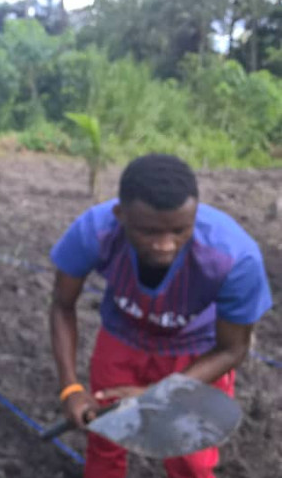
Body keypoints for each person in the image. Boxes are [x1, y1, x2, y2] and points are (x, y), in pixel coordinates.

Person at [47, 154, 272, 478]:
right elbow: (62, 305)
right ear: (121, 216)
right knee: (106, 437)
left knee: (191, 460)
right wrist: (70, 388)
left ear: (195, 214)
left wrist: (162, 393)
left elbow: (232, 348)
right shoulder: (95, 231)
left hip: (197, 352)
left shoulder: (233, 257)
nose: (165, 245)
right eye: (149, 232)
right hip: (122, 339)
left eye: (180, 230)